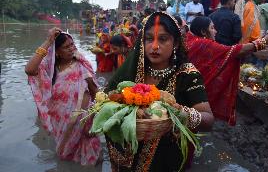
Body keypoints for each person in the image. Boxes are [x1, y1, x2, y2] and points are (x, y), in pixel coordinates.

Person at [106, 12, 214, 172]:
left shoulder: (187, 74)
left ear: (176, 43)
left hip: (165, 159)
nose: (154, 46)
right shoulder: (133, 68)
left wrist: (180, 113)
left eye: (163, 39)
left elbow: (208, 120)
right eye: (149, 39)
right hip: (128, 156)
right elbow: (107, 98)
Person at [186, 16, 268, 125]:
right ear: (203, 31)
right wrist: (265, 41)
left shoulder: (190, 40)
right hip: (191, 97)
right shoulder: (203, 44)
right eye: (212, 28)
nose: (216, 31)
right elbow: (235, 52)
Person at [25, 28, 101, 165]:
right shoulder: (50, 70)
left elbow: (97, 96)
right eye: (66, 47)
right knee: (64, 158)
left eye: (72, 44)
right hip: (62, 126)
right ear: (57, 52)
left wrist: (96, 124)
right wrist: (48, 41)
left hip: (85, 127)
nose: (72, 48)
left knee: (89, 164)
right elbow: (30, 70)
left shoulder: (82, 67)